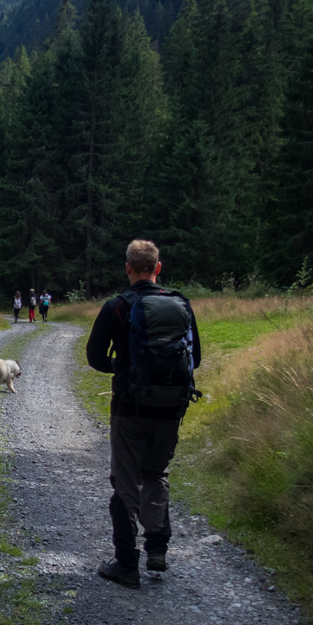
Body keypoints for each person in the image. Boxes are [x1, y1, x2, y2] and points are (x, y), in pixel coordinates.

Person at [85, 239, 201, 588]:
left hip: (129, 409)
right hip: (170, 409)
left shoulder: (116, 307)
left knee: (125, 481)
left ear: (128, 268)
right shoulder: (180, 304)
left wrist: (123, 368)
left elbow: (94, 357)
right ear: (157, 268)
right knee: (156, 474)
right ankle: (157, 551)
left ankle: (125, 564)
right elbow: (194, 358)